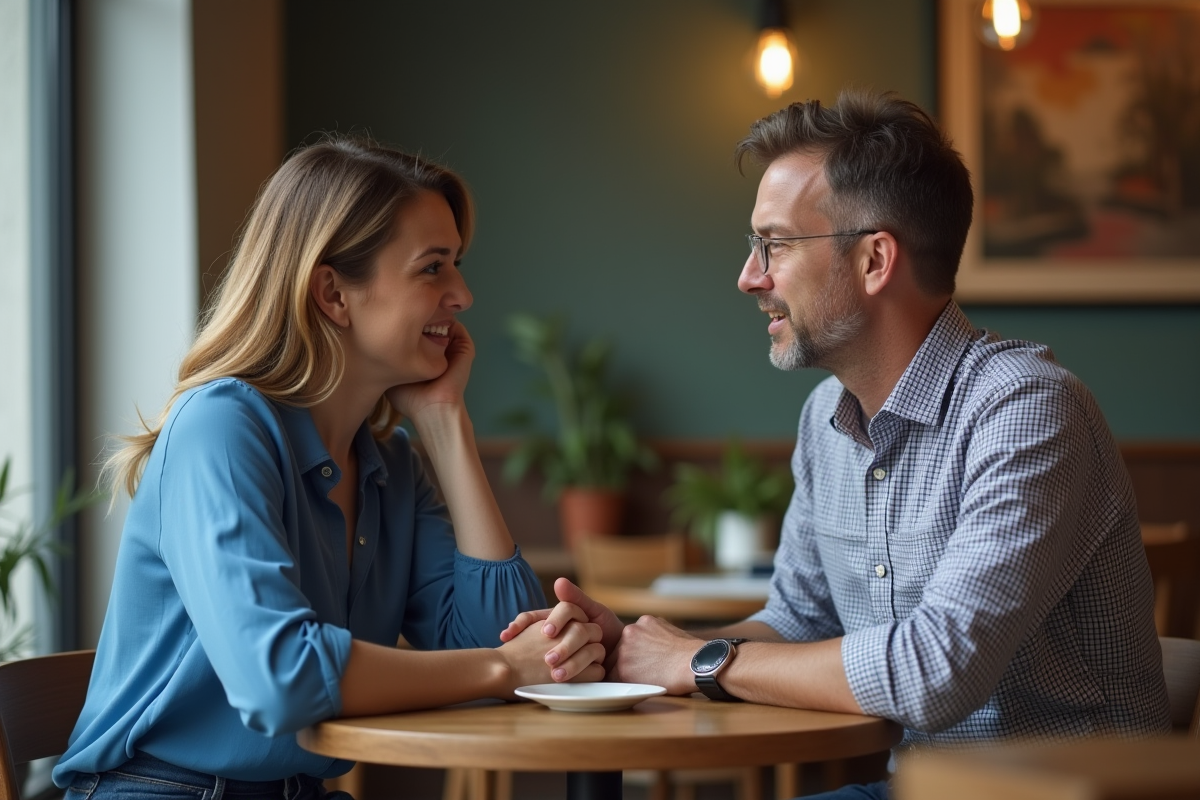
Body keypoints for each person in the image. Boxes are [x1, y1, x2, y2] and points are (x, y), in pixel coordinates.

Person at [504, 90, 1171, 798]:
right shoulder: (827, 418)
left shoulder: (1028, 410)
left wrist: (697, 659)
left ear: (876, 260)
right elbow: (796, 622)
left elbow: (932, 672)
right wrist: (637, 650)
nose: (749, 276)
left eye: (776, 244)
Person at [53, 138, 605, 800]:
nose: (462, 295)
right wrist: (498, 667)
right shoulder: (220, 427)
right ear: (333, 294)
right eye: (432, 269)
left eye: (456, 264)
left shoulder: (393, 464)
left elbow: (522, 659)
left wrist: (445, 425)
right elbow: (279, 678)